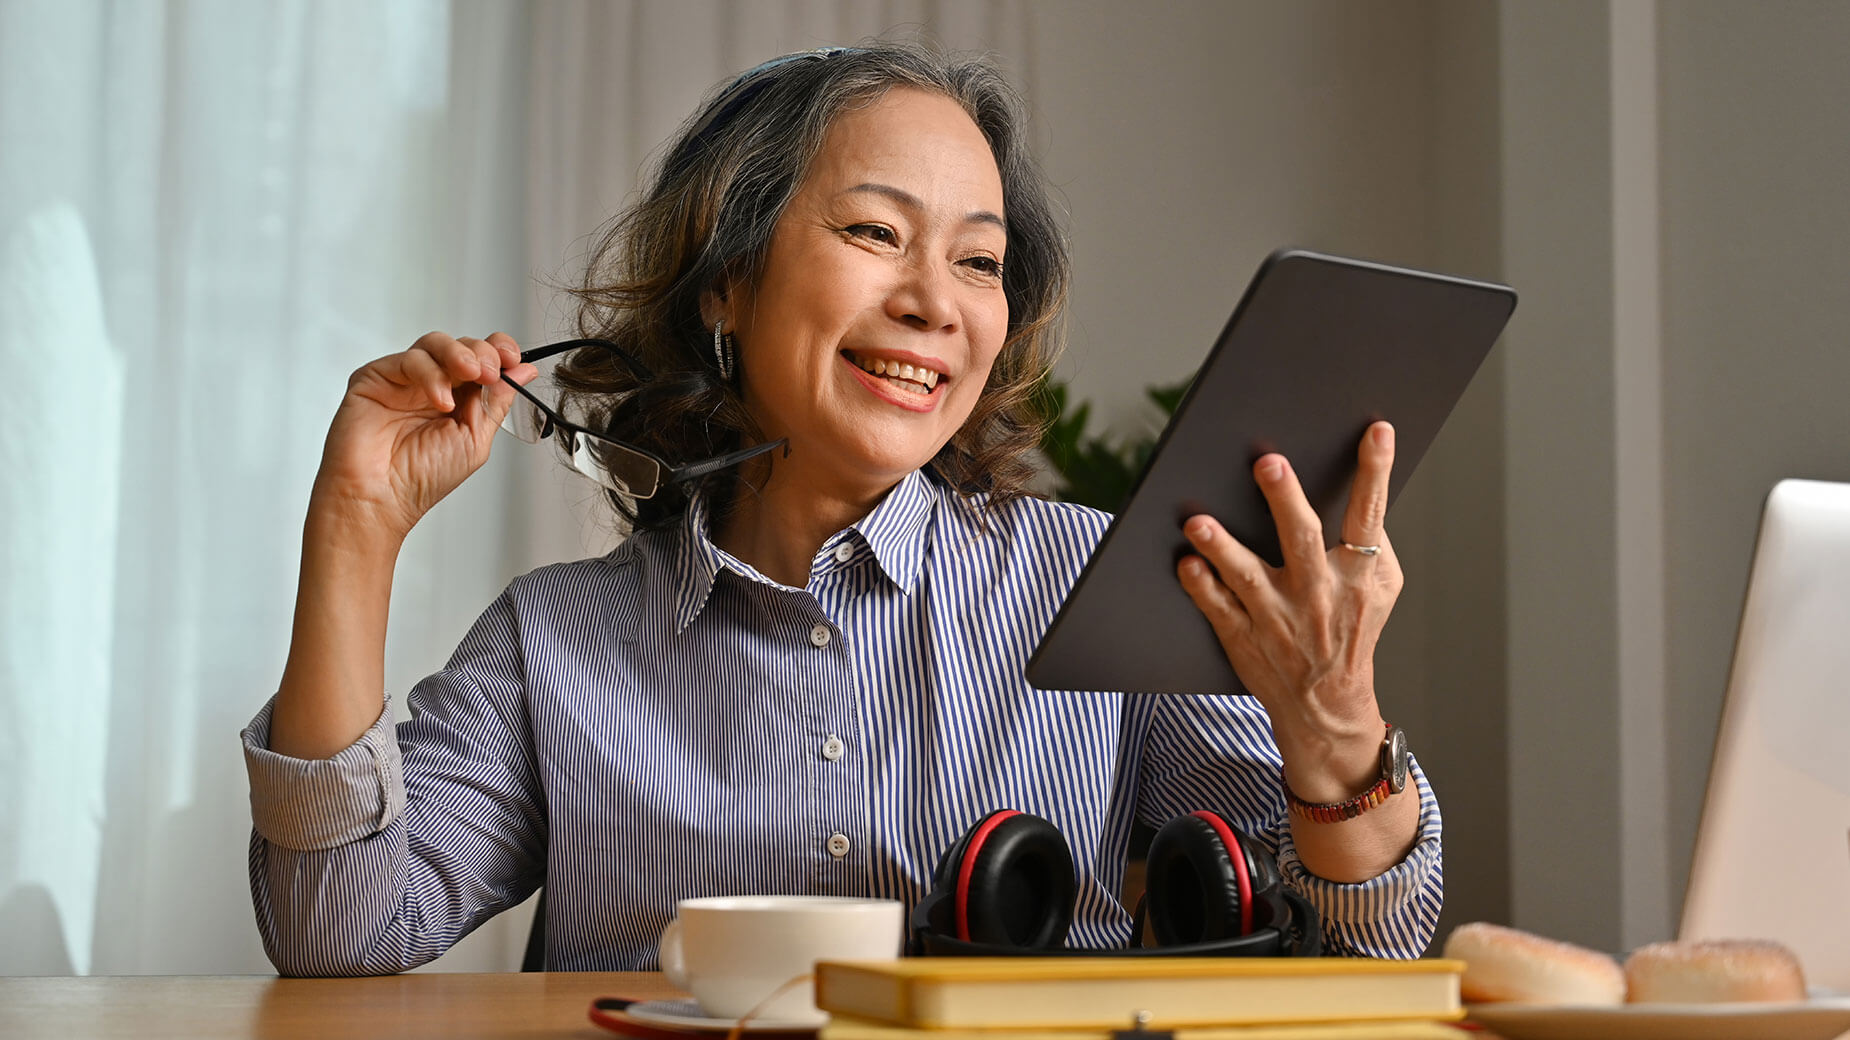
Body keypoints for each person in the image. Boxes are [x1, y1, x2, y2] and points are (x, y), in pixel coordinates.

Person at [242, 43, 1440, 977]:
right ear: (727, 274)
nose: (933, 302)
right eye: (874, 232)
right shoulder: (551, 644)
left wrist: (1334, 732)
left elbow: (1359, 953)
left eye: (978, 261)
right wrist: (354, 524)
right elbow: (337, 934)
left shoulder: (1098, 582)